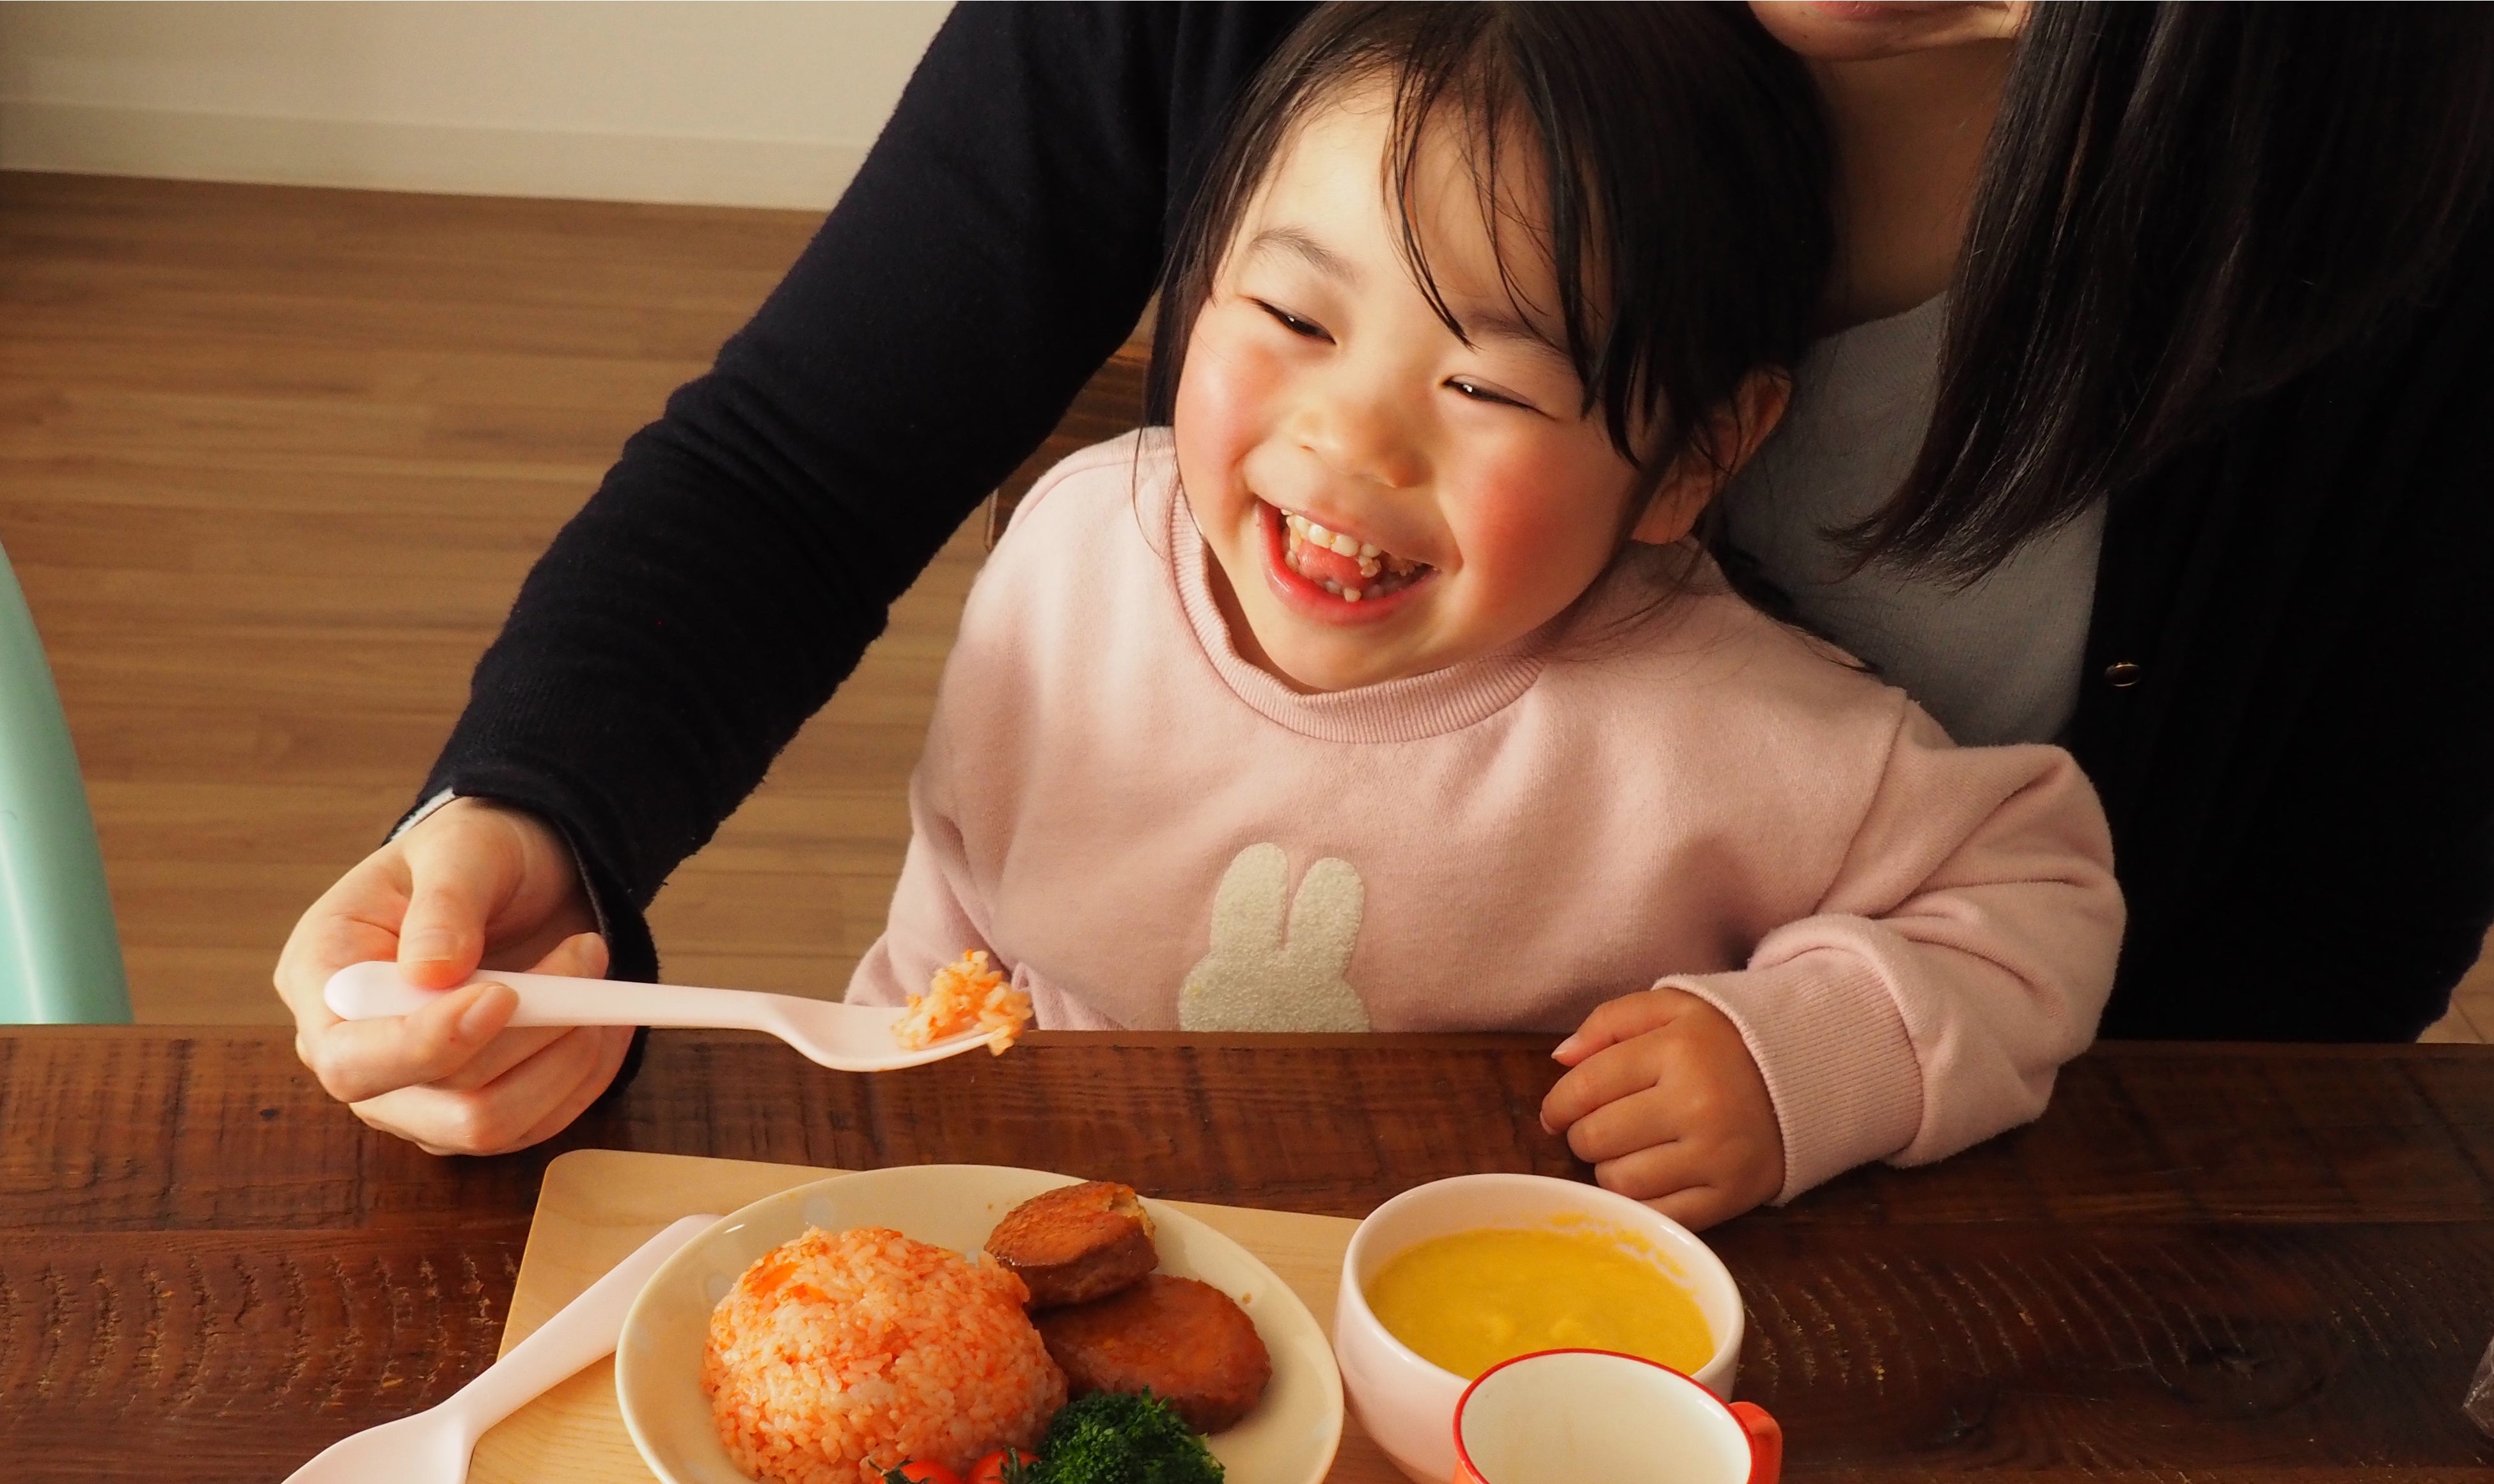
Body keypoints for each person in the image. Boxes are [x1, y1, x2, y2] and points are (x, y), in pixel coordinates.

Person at [275, 2, 2494, 1161]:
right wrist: (528, 824)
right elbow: (795, 466)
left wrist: (1810, 1098)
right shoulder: (1091, 556)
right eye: (1307, 313)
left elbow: (2296, 1011)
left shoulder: (2396, 198)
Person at [838, 4, 2120, 1227]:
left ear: (1696, 456)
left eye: (1484, 386)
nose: (1352, 439)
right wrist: (880, 1133)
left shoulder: (1724, 721)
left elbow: (2037, 893)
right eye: (1294, 316)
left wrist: (1797, 1061)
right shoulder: (1077, 557)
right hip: (1062, 1260)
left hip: (1493, 1350)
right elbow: (952, 909)